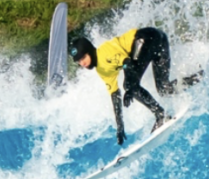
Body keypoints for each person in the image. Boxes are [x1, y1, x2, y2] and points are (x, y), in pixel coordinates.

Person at [69, 27, 198, 145]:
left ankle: (161, 115)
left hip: (146, 39)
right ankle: (198, 78)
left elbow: (127, 63)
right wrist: (120, 126)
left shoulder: (104, 53)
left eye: (83, 57)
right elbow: (115, 94)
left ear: (90, 51)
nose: (82, 63)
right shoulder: (102, 71)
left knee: (129, 83)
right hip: (159, 38)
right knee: (164, 88)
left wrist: (131, 88)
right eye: (79, 61)